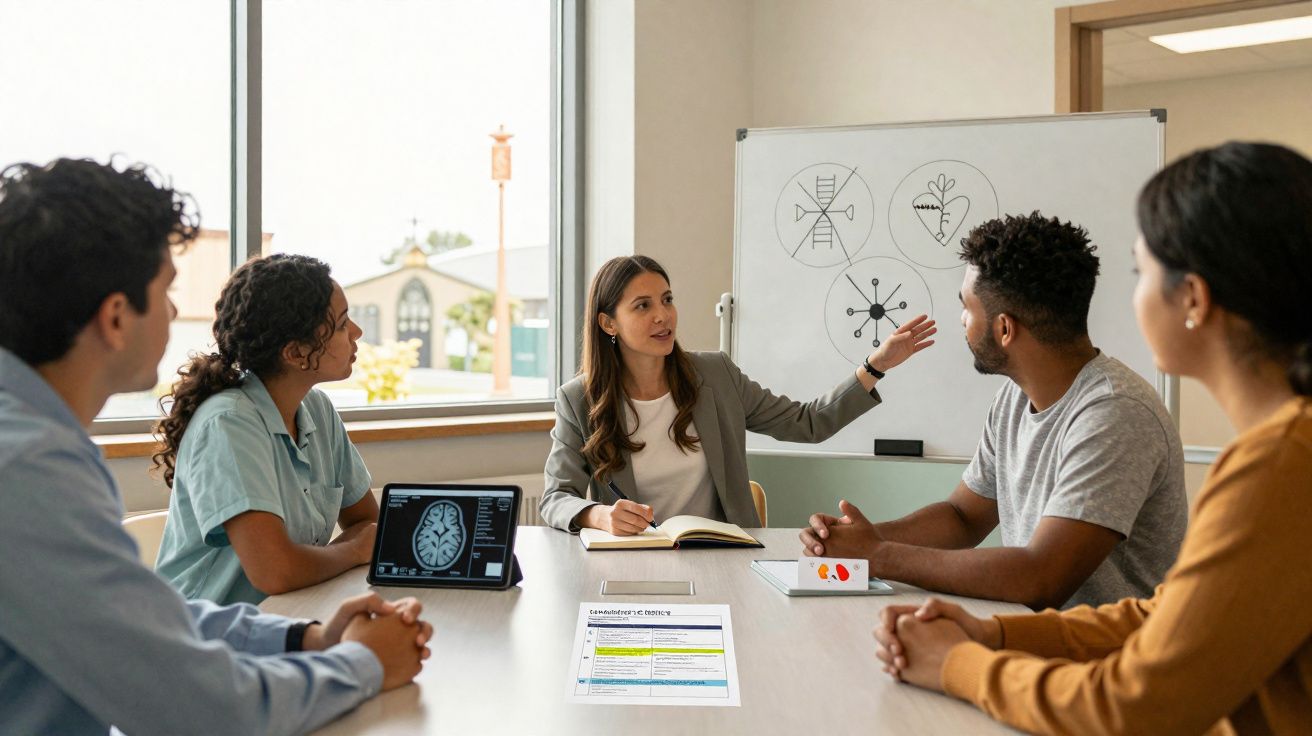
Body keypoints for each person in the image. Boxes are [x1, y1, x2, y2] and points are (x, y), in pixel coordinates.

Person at [875, 142, 1312, 734]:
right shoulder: (1279, 452)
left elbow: (1136, 704)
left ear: (1192, 298)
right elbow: (1164, 618)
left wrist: (959, 663)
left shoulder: (1280, 465)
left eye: (1142, 272)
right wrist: (995, 632)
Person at [0, 157, 431, 735]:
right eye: (167, 290)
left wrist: (303, 637)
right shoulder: (28, 468)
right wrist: (362, 663)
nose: (177, 312)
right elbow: (200, 707)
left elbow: (143, 616)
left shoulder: (36, 445)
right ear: (117, 317)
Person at [801, 212, 1187, 610]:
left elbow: (1041, 577)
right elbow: (962, 518)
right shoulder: (1013, 399)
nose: (962, 321)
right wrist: (859, 539)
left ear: (1005, 329)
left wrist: (879, 556)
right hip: (1039, 644)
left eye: (967, 308)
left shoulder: (1114, 413)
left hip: (1107, 663)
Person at [540, 254, 936, 534]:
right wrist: (597, 515)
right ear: (609, 323)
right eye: (643, 306)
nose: (663, 315)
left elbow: (808, 423)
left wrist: (875, 366)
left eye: (667, 299)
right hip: (634, 564)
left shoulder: (714, 375)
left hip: (723, 559)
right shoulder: (579, 400)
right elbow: (556, 497)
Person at [154, 253, 378, 605]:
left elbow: (368, 523)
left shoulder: (317, 410)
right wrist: (351, 552)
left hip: (288, 614)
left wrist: (342, 552)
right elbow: (275, 571)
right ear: (296, 352)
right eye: (341, 325)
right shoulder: (228, 424)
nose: (356, 333)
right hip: (205, 637)